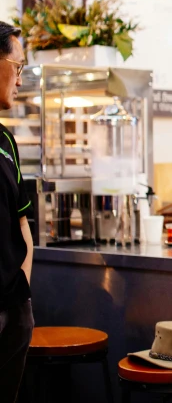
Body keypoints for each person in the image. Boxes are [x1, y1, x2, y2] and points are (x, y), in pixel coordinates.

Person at [0, 21, 34, 402]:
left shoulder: (7, 140)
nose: (20, 80)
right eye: (18, 67)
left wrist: (22, 296)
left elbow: (23, 223)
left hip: (12, 307)